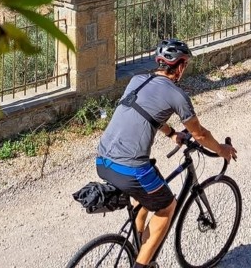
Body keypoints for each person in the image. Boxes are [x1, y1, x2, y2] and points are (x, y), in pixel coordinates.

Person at [96, 38, 237, 268]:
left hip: (102, 159)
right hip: (131, 167)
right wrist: (222, 150)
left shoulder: (137, 80)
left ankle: (138, 250)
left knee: (142, 198)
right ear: (180, 66)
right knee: (167, 206)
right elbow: (199, 134)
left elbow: (144, 111)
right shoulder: (177, 95)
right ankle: (142, 265)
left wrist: (172, 133)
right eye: (186, 65)